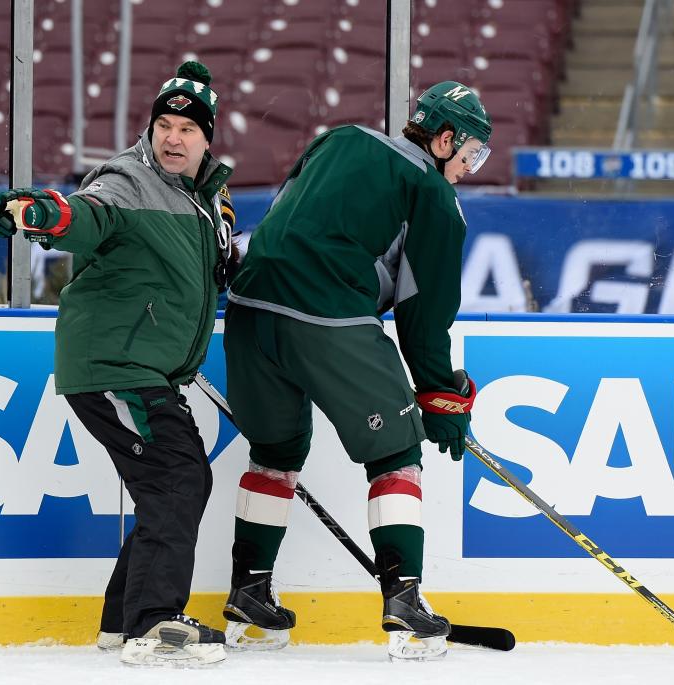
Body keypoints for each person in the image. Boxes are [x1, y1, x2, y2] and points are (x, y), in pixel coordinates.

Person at [220, 81, 492, 661]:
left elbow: (279, 217)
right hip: (327, 315)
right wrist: (442, 396)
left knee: (275, 451)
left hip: (247, 310)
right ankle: (404, 600)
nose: (471, 166)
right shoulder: (434, 197)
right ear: (443, 139)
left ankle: (249, 593)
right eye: (471, 152)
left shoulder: (338, 137)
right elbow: (424, 316)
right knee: (396, 452)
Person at [0, 60, 235, 668]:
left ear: (208, 139)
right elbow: (85, 214)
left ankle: (122, 621)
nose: (173, 138)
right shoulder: (127, 180)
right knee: (179, 480)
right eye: (164, 125)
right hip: (115, 364)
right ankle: (152, 624)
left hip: (144, 366)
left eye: (187, 129)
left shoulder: (205, 200)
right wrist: (43, 214)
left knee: (176, 484)